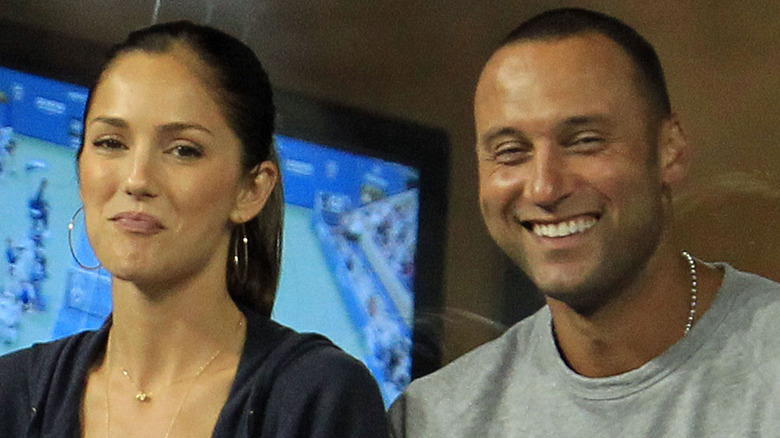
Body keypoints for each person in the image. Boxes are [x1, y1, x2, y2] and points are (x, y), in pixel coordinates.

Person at [389, 8, 780, 437]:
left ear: (670, 148)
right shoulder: (437, 419)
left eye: (584, 142)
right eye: (510, 151)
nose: (544, 188)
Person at [0, 21, 388, 437]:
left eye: (183, 150)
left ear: (251, 191)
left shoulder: (316, 398)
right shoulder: (13, 395)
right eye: (111, 142)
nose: (136, 179)